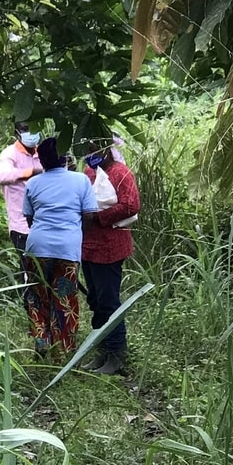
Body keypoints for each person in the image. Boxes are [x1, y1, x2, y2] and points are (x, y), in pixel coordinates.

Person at [21, 136, 98, 358]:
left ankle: (42, 341)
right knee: (64, 299)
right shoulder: (81, 180)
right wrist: (76, 234)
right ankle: (62, 353)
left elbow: (29, 218)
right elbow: (90, 215)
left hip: (38, 248)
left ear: (41, 161)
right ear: (65, 157)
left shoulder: (33, 183)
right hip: (67, 249)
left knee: (36, 297)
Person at [81, 136, 141, 376]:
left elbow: (131, 205)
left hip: (110, 247)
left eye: (95, 149)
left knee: (109, 301)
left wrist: (98, 217)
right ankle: (102, 350)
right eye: (87, 150)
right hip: (88, 246)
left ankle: (117, 353)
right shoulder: (87, 172)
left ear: (107, 149)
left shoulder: (120, 173)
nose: (90, 154)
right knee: (95, 300)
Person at [0, 123, 42, 299]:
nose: (31, 133)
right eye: (26, 129)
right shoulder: (10, 155)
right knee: (30, 273)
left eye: (34, 128)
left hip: (45, 224)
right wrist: (30, 172)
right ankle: (32, 312)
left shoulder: (41, 153)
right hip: (22, 227)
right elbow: (1, 176)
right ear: (17, 133)